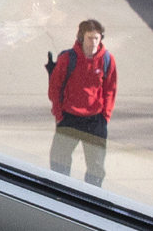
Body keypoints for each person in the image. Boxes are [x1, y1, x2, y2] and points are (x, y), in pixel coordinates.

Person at [47, 20, 118, 187]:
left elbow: (110, 90)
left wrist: (105, 117)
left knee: (96, 168)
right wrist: (59, 115)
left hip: (94, 121)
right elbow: (54, 89)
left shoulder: (107, 60)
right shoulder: (67, 59)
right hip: (69, 118)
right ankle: (60, 194)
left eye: (96, 38)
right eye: (89, 38)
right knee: (59, 162)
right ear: (81, 38)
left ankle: (91, 200)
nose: (93, 43)